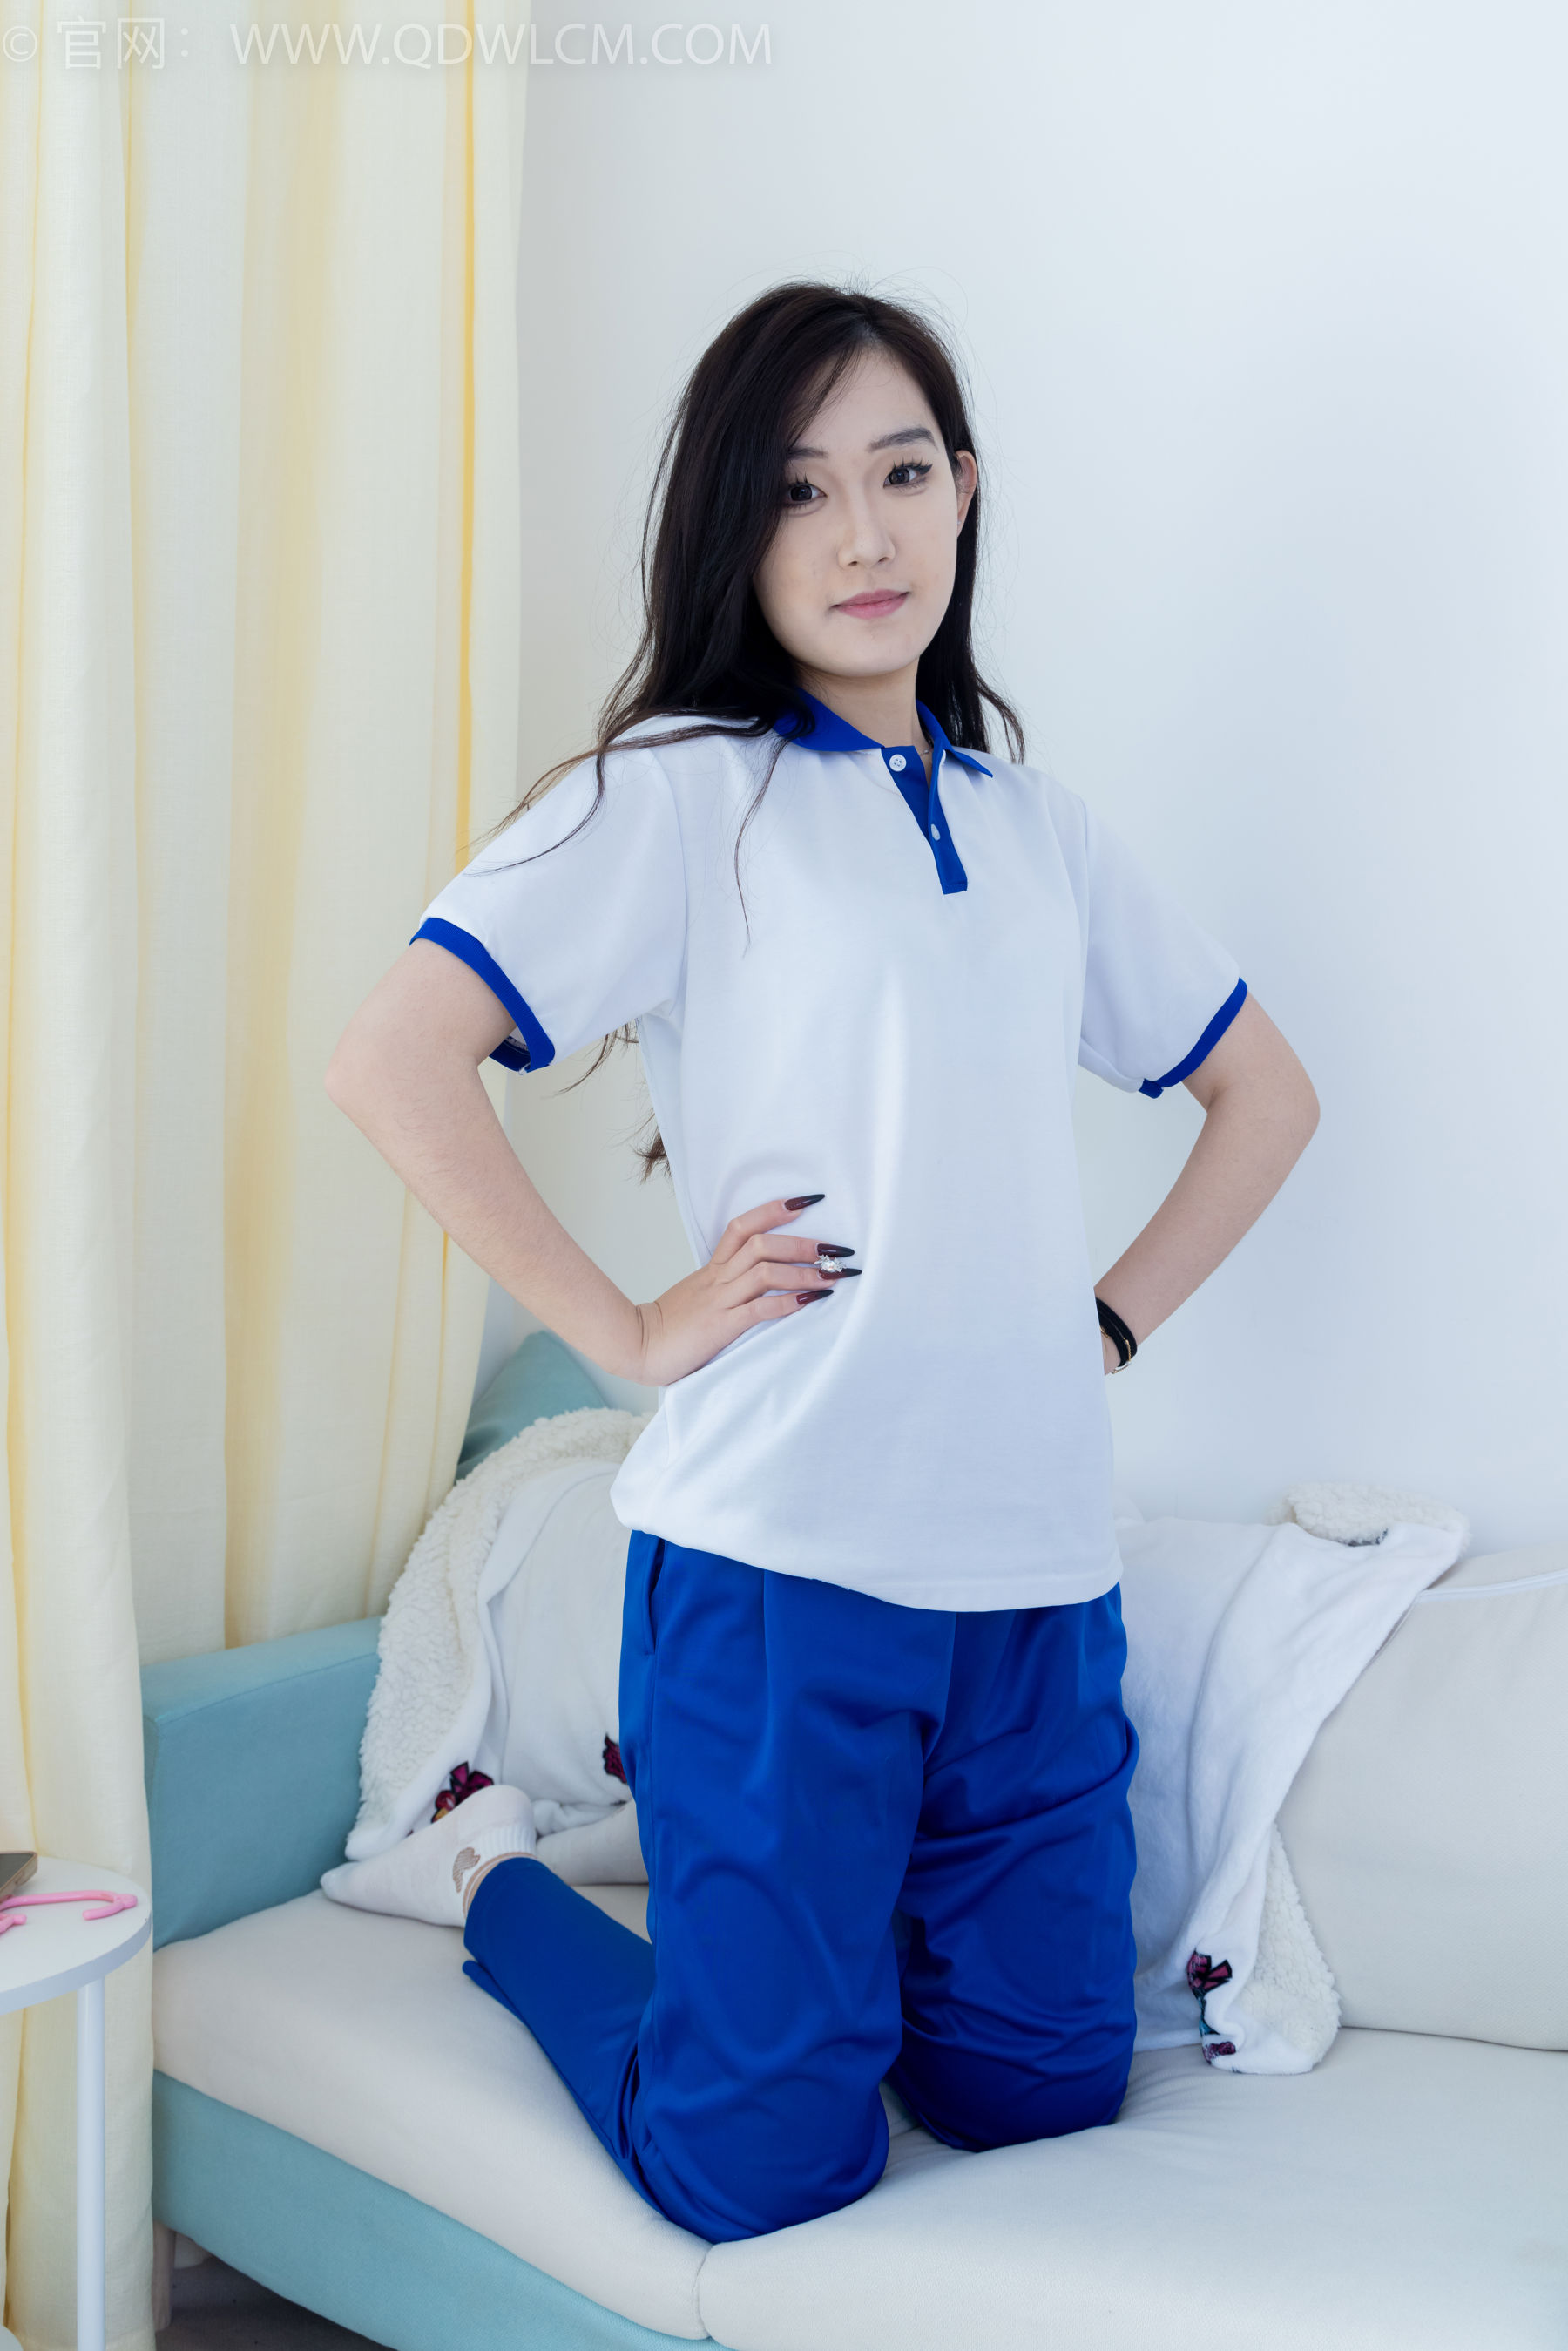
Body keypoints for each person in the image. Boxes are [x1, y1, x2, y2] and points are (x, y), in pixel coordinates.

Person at [321, 282, 1319, 2244]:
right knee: (759, 2165)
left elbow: (1266, 1095)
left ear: (966, 492)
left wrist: (1105, 1324)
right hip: (781, 1575)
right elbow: (392, 1055)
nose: (863, 534)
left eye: (901, 473)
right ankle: (494, 1878)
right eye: (798, 489)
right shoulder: (682, 793)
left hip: (1035, 1585)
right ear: (735, 526)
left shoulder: (1040, 831)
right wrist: (626, 1324)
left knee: (1037, 2094)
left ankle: (799, 1977)